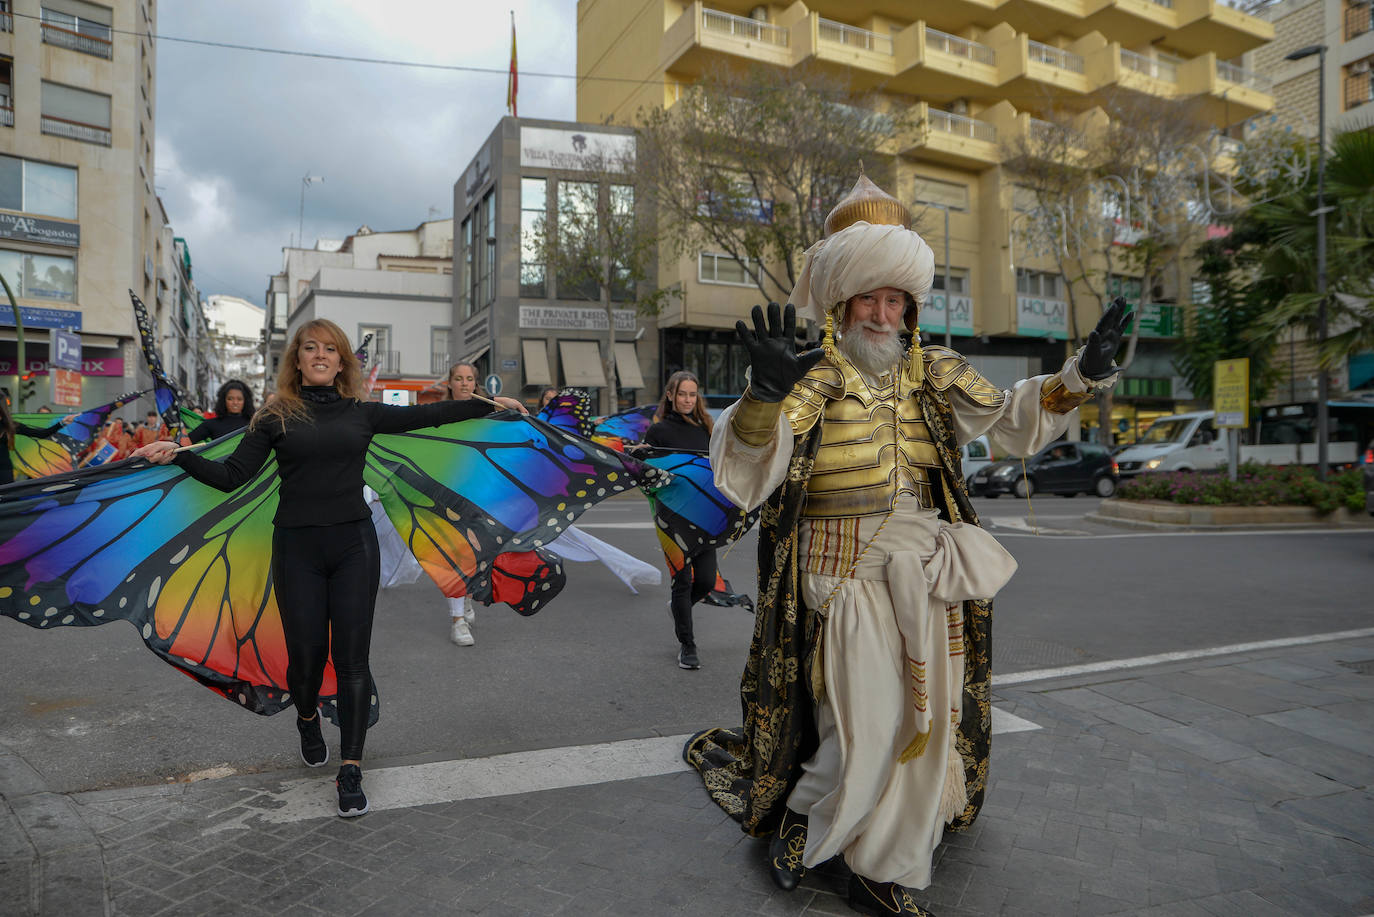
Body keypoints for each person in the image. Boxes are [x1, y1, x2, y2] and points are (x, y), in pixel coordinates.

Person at [683, 174, 1129, 916]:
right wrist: (762, 395)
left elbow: (1016, 418)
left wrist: (1082, 374)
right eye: (870, 298)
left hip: (925, 571)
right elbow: (743, 467)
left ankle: (882, 860)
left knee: (931, 718)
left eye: (897, 300)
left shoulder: (935, 371)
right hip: (840, 573)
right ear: (842, 301)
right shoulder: (809, 375)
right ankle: (806, 813)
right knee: (865, 720)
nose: (885, 313)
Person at [133, 320, 523, 818]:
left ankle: (351, 768)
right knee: (306, 661)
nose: (320, 355)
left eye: (330, 349)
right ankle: (307, 716)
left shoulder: (362, 413)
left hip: (353, 547)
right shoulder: (274, 417)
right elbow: (231, 477)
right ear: (297, 361)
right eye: (310, 348)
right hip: (297, 549)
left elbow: (435, 416)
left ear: (342, 362)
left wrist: (487, 405)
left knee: (354, 660)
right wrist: (181, 457)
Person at [641, 371, 716, 670]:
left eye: (692, 394)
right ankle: (688, 644)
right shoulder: (657, 433)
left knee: (706, 581)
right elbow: (647, 478)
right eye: (682, 393)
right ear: (670, 395)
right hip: (671, 514)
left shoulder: (707, 429)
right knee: (682, 580)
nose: (687, 399)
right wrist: (643, 460)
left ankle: (677, 608)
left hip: (704, 513)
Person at [439, 361, 486, 647]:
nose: (465, 383)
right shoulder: (437, 416)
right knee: (454, 555)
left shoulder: (486, 415)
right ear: (450, 383)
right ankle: (457, 620)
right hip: (445, 494)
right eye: (459, 378)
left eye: (469, 379)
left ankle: (467, 597)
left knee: (476, 555)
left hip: (480, 495)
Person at [0, 395, 58, 485]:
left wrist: (62, 423)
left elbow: (41, 434)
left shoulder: (10, 425)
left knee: (8, 497)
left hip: (4, 471)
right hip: (5, 470)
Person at [189, 380, 256, 443]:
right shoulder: (211, 424)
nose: (235, 402)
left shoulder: (254, 426)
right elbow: (185, 443)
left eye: (239, 399)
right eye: (230, 399)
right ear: (223, 401)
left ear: (246, 401)